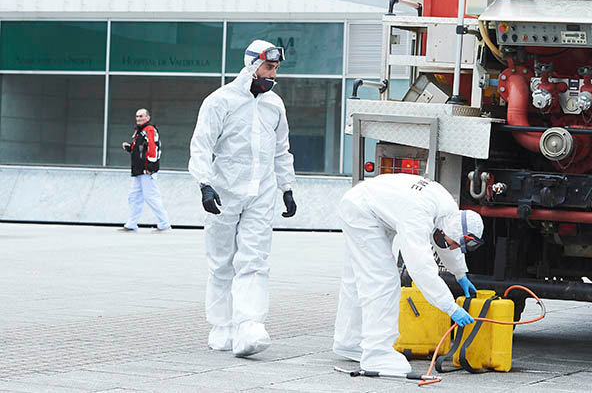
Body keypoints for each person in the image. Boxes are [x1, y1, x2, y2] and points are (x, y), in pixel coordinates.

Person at [188, 39, 298, 358]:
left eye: (276, 68)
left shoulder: (274, 105)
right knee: (222, 261)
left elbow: (281, 149)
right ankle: (221, 326)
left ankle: (249, 325)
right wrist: (204, 184)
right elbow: (201, 145)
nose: (273, 74)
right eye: (268, 67)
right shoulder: (220, 101)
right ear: (251, 65)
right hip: (224, 191)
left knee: (255, 259)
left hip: (261, 192)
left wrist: (286, 188)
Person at [332, 173, 484, 375]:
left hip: (370, 204)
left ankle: (349, 342)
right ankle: (378, 354)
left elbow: (448, 242)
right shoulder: (419, 214)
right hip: (362, 211)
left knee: (357, 278)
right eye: (454, 242)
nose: (451, 246)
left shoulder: (448, 212)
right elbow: (420, 266)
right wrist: (450, 307)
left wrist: (459, 274)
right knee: (381, 280)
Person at [120, 108, 170, 232]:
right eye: (137, 116)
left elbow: (153, 148)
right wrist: (129, 148)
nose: (139, 118)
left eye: (141, 116)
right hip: (138, 170)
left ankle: (164, 224)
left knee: (151, 196)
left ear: (148, 117)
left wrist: (151, 167)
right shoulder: (139, 131)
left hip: (146, 170)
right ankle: (131, 224)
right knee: (134, 196)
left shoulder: (149, 130)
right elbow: (140, 148)